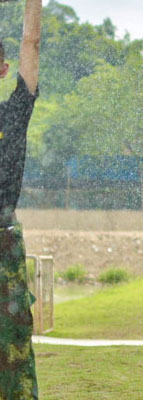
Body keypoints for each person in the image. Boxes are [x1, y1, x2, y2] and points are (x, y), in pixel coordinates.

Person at [0, 0, 42, 399]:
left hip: (3, 238)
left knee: (14, 337)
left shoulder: (13, 113)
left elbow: (31, 42)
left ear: (3, 69)